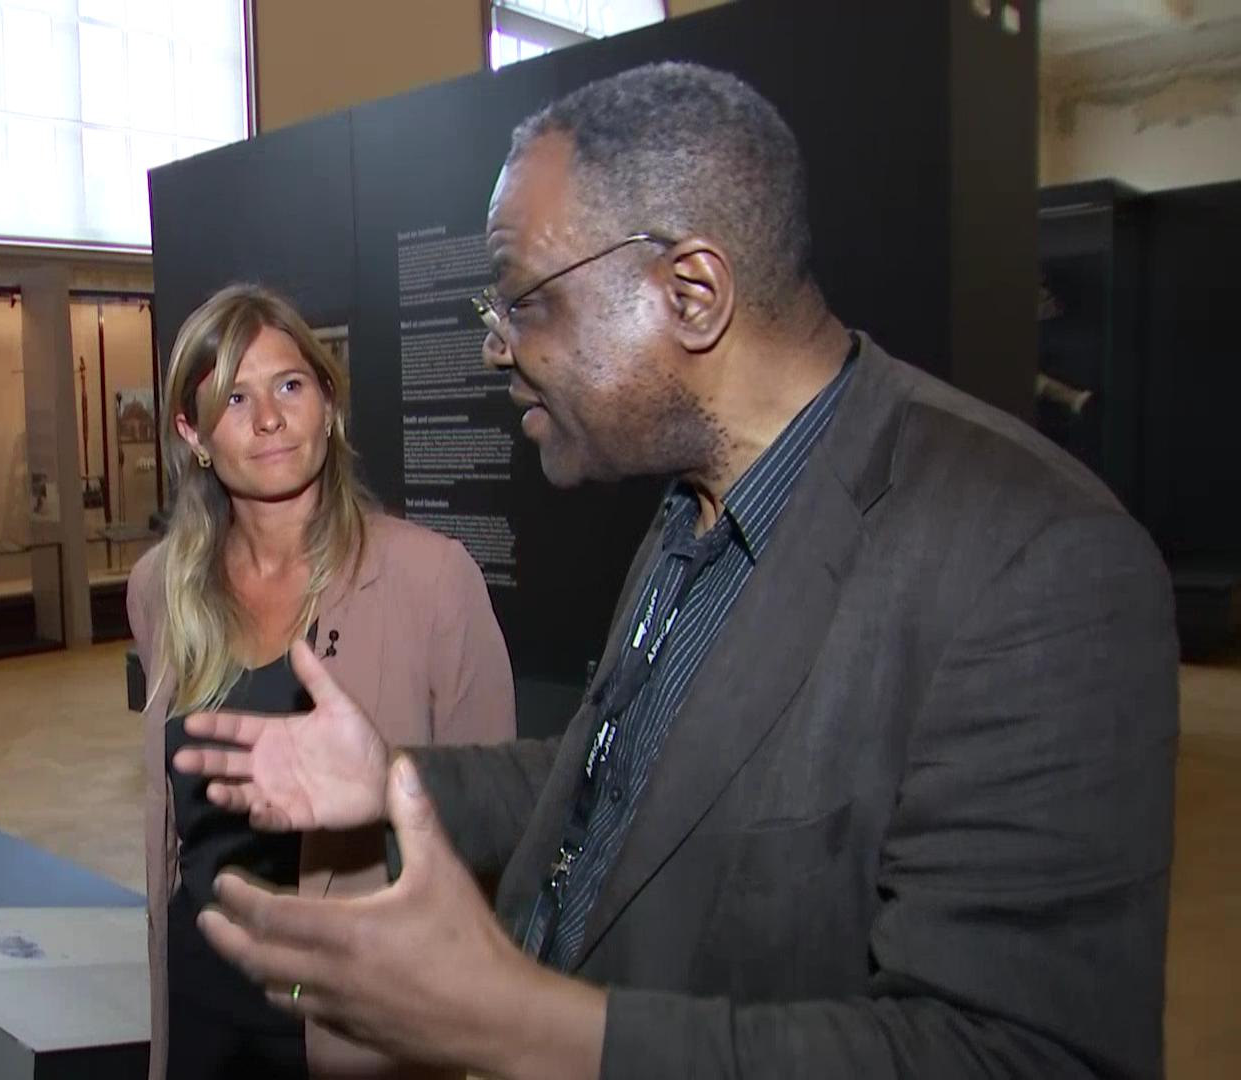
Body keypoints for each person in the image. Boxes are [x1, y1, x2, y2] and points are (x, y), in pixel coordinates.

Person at [171, 64, 1177, 1078]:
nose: (494, 349)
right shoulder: (692, 503)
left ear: (691, 295)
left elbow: (1018, 1054)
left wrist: (518, 1021)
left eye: (525, 305)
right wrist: (392, 779)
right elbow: (616, 782)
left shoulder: (1036, 564)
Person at [130, 283, 516, 1080]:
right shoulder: (160, 588)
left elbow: (496, 817)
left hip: (355, 1022)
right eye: (235, 397)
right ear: (191, 433)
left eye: (290, 385)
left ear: (329, 404)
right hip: (202, 1006)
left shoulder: (431, 580)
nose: (269, 419)